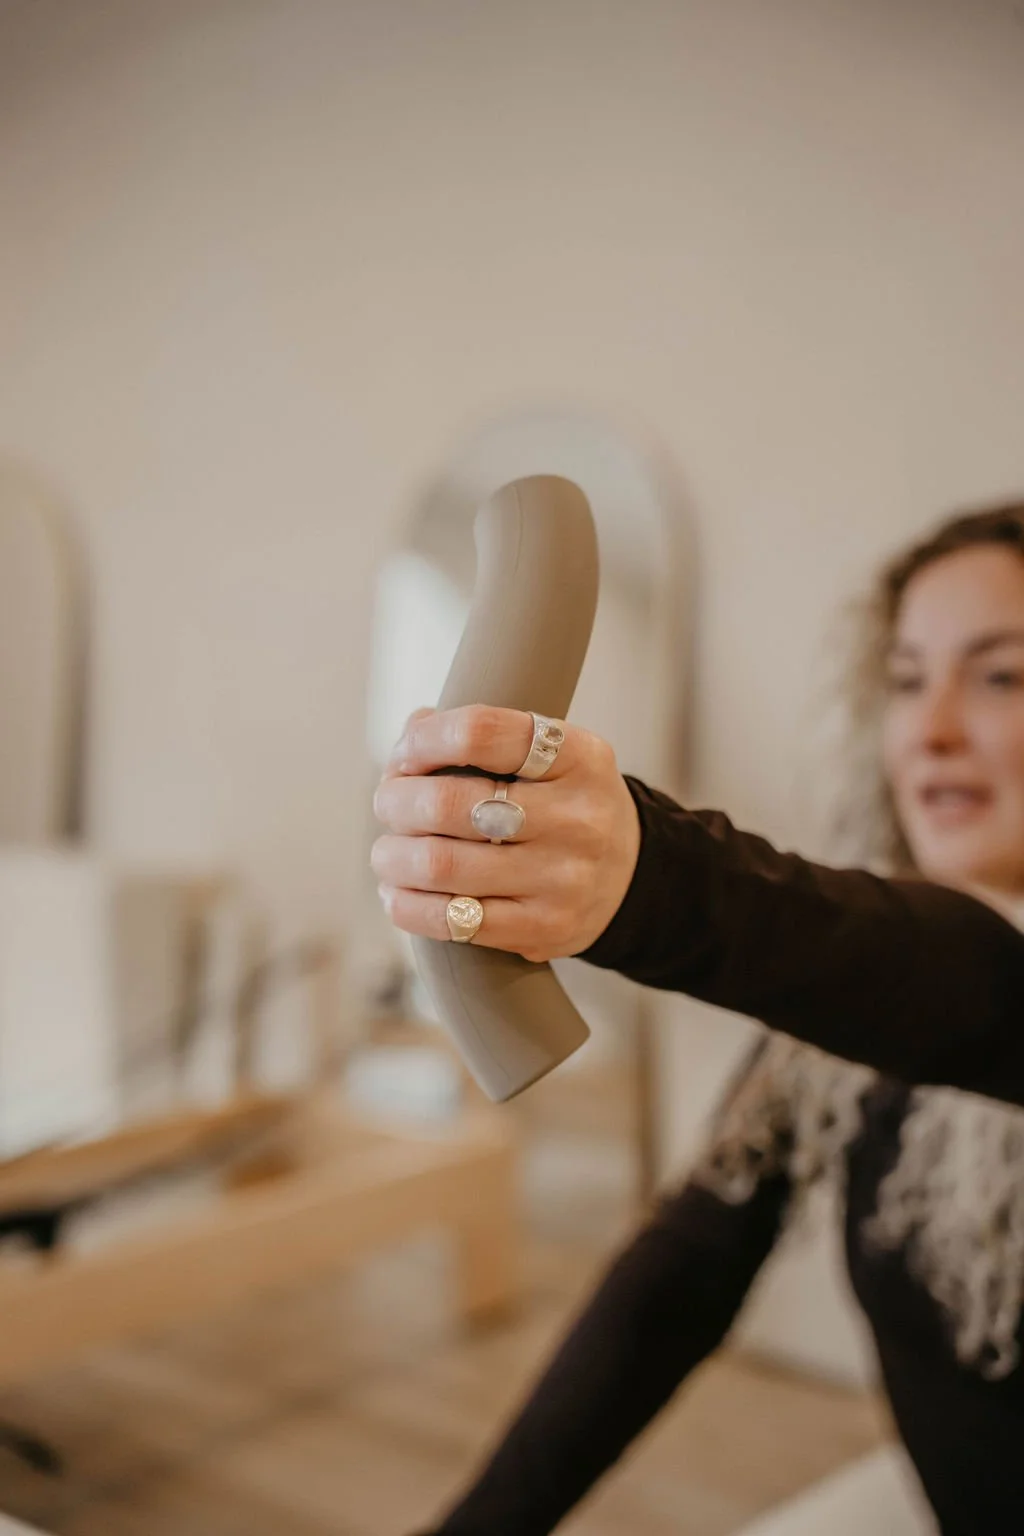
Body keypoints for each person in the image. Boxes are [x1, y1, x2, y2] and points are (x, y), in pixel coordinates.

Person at [372, 503, 1024, 1534]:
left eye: (1001, 676)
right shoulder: (837, 1023)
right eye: (904, 679)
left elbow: (982, 991)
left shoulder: (917, 971)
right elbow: (680, 1275)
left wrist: (652, 877)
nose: (931, 727)